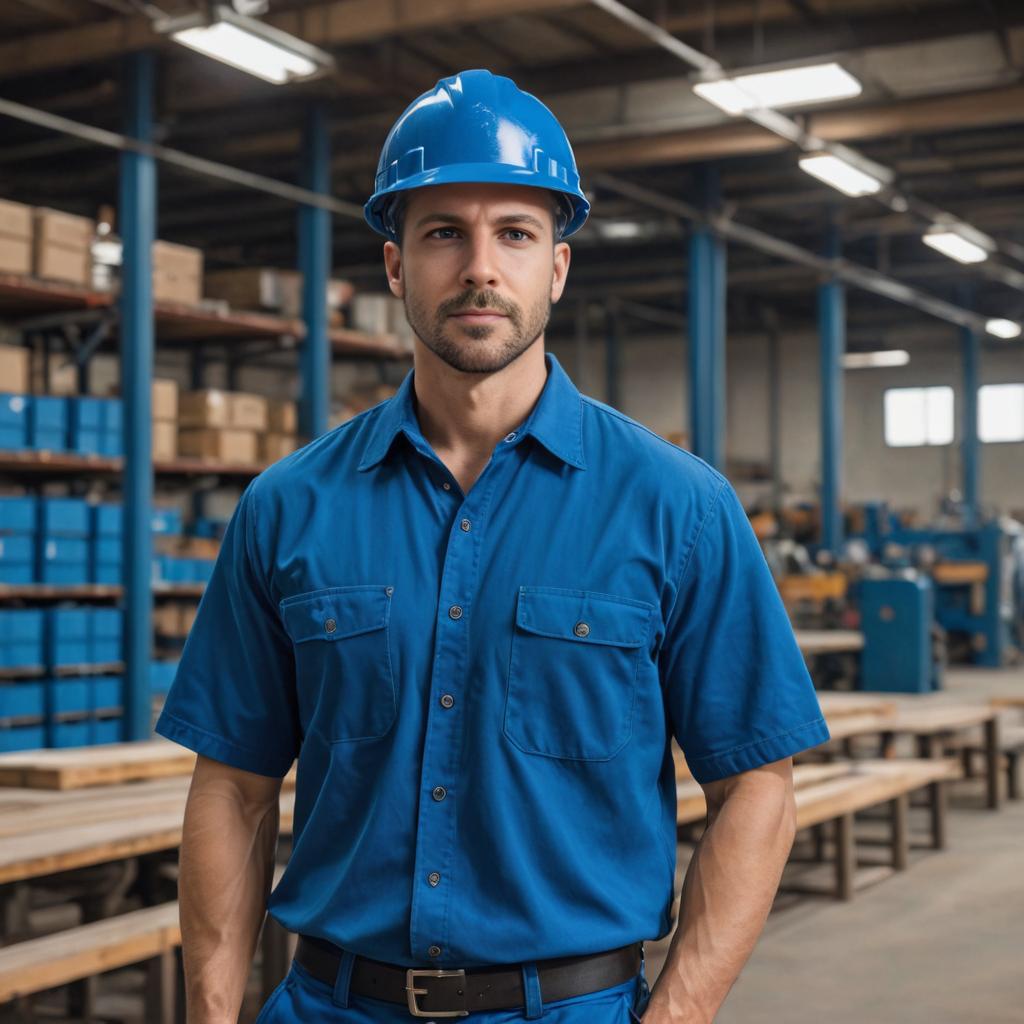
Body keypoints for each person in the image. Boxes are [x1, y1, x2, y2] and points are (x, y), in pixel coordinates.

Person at [155, 68, 831, 1024]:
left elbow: (757, 787)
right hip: (332, 1004)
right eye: (443, 233)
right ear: (394, 265)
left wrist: (675, 1016)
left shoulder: (678, 507)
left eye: (515, 233)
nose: (480, 267)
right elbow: (231, 787)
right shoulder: (287, 507)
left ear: (556, 266)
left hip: (571, 1007)